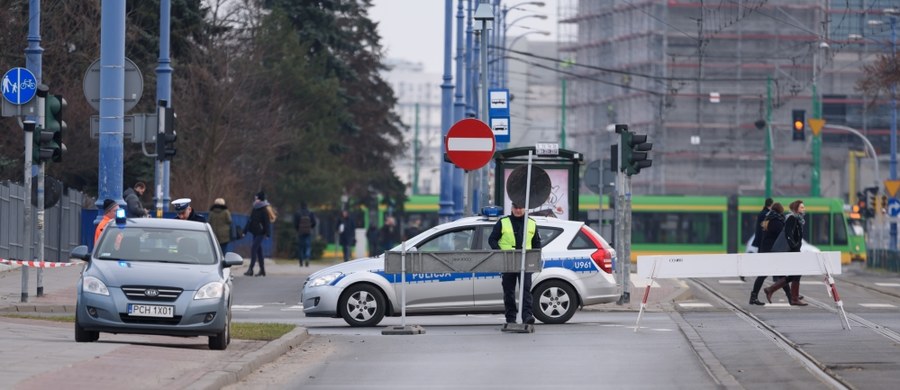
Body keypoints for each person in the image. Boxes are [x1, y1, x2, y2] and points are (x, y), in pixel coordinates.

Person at [488, 202, 541, 325]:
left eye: (520, 208)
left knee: (526, 290)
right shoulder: (503, 222)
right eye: (515, 208)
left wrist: (534, 258)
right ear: (511, 208)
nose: (518, 210)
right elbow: (492, 239)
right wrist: (500, 253)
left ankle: (527, 316)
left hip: (525, 262)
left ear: (524, 209)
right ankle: (510, 318)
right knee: (509, 291)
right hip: (508, 262)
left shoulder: (531, 223)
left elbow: (537, 244)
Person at [765, 200, 808, 306]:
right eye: (802, 207)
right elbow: (788, 234)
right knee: (796, 273)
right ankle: (793, 298)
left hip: (795, 250)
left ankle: (772, 289)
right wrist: (794, 245)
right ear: (796, 209)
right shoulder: (792, 218)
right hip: (792, 251)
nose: (804, 209)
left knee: (796, 274)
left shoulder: (799, 220)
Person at [750, 201, 790, 305]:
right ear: (780, 210)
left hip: (768, 251)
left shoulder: (769, 219)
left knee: (774, 275)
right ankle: (791, 297)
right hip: (772, 252)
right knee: (780, 275)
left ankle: (753, 296)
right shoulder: (776, 221)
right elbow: (782, 235)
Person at [244, 192, 271, 276]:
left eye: (256, 197)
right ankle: (262, 270)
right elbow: (250, 220)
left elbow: (267, 222)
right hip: (255, 232)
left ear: (260, 199)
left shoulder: (264, 209)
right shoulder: (255, 208)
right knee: (259, 252)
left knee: (253, 249)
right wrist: (244, 231)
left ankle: (250, 269)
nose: (255, 199)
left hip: (261, 233)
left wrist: (267, 233)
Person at [293, 201, 317, 267]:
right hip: (308, 232)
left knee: (301, 247)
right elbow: (314, 222)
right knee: (308, 246)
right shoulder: (310, 213)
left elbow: (295, 224)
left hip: (300, 232)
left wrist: (298, 229)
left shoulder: (298, 213)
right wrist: (310, 227)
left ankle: (301, 260)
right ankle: (307, 257)